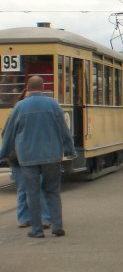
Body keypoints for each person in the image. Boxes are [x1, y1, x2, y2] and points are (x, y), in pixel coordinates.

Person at [0, 75, 76, 238]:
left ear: (27, 88)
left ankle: (37, 230)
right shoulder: (53, 105)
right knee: (53, 192)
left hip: (28, 157)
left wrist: (3, 153)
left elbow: (8, 133)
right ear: (42, 88)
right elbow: (64, 131)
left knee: (32, 193)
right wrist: (70, 150)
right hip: (51, 156)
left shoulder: (20, 106)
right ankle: (57, 227)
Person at [6, 87, 52, 228]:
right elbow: (7, 136)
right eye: (26, 98)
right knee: (22, 189)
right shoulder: (15, 114)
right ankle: (24, 218)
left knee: (38, 188)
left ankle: (44, 218)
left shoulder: (39, 115)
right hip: (18, 158)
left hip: (34, 157)